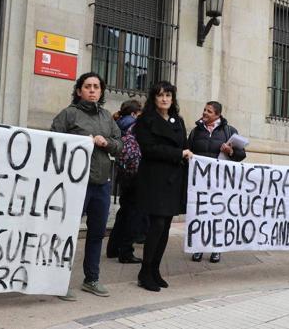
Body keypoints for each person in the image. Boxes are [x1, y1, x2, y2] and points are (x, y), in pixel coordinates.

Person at [51, 72, 123, 299]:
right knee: (67, 233)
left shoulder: (107, 118)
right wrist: (81, 142)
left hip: (101, 184)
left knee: (96, 233)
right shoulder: (69, 115)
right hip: (75, 185)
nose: (92, 90)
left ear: (101, 91)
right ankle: (57, 282)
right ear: (79, 90)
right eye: (88, 86)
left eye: (96, 87)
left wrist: (107, 143)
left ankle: (91, 279)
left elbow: (120, 145)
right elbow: (53, 142)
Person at [134, 81, 192, 292]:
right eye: (160, 95)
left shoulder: (178, 120)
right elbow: (149, 149)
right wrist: (178, 154)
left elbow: (184, 145)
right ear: (154, 98)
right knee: (157, 225)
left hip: (173, 179)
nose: (165, 99)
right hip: (155, 179)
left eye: (168, 95)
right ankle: (144, 271)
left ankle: (155, 270)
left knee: (166, 225)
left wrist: (187, 154)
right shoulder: (146, 121)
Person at [188, 101, 246, 263]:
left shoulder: (229, 131)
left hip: (220, 181)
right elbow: (189, 150)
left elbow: (241, 155)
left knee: (217, 214)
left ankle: (216, 248)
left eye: (209, 111)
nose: (205, 113)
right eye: (204, 110)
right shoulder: (196, 131)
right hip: (200, 180)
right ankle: (198, 247)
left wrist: (231, 151)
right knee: (200, 214)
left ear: (217, 115)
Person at [107, 99, 144, 263]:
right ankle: (126, 251)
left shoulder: (117, 122)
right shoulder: (136, 125)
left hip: (123, 171)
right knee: (133, 213)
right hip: (136, 172)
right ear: (135, 113)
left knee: (124, 211)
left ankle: (113, 248)